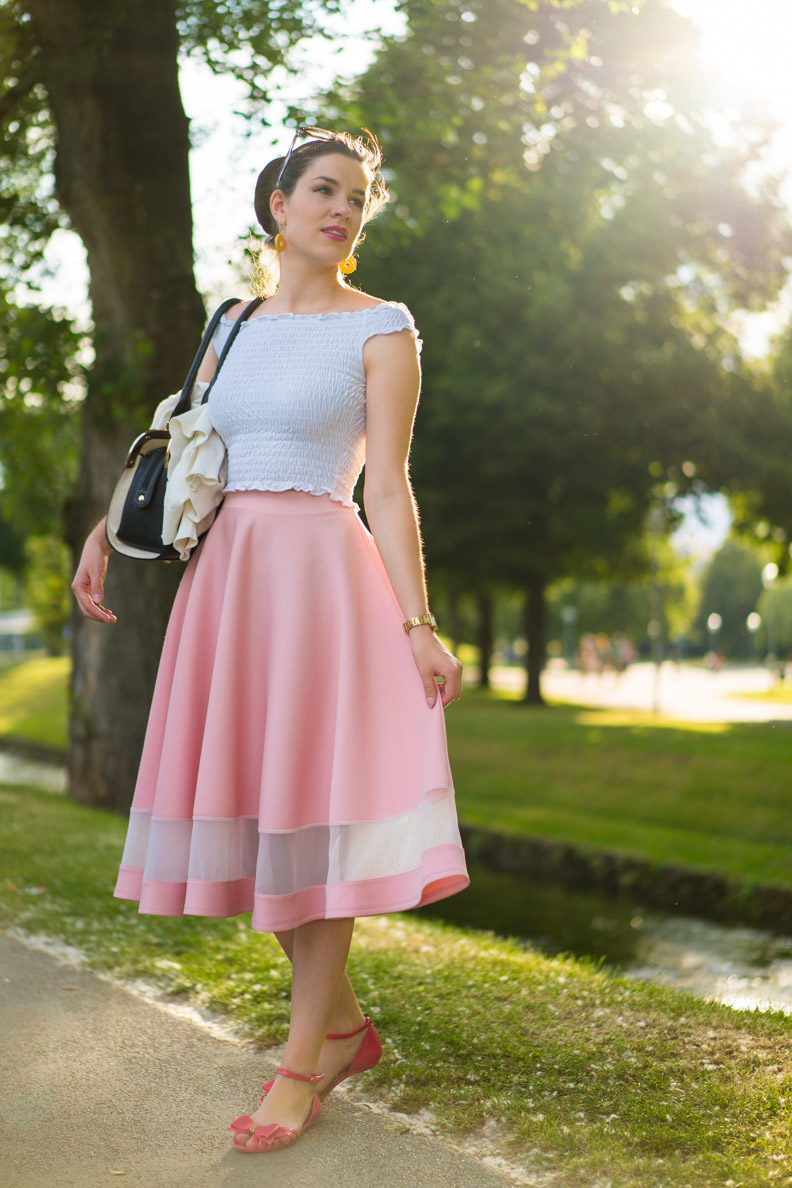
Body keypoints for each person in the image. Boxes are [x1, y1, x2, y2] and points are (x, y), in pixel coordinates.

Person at [71, 126, 470, 1155]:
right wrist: (106, 532)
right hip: (229, 581)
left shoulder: (383, 328)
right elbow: (185, 448)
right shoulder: (229, 326)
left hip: (324, 581)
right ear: (279, 204)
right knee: (264, 822)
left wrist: (417, 623)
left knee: (315, 819)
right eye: (326, 191)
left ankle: (301, 1067)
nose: (344, 210)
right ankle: (340, 1029)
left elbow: (389, 484)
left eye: (359, 198)